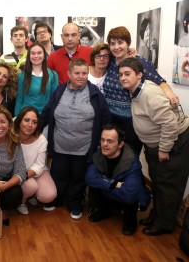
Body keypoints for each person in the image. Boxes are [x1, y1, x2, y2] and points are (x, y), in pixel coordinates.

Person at [118, 58, 189, 236]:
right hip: (157, 144)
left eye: (127, 74)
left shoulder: (150, 94)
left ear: (139, 75)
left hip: (174, 143)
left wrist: (164, 149)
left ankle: (164, 224)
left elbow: (169, 123)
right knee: (158, 183)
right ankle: (157, 215)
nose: (123, 78)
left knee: (167, 186)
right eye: (120, 75)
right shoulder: (136, 90)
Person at [40, 58, 110, 219]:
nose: (81, 76)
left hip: (84, 148)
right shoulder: (59, 91)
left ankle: (75, 203)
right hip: (59, 146)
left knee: (78, 178)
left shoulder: (95, 94)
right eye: (77, 73)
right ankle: (56, 199)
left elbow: (105, 118)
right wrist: (33, 131)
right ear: (69, 74)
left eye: (84, 73)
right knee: (59, 175)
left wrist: (102, 141)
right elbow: (47, 112)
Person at [103, 26, 179, 155]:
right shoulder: (109, 62)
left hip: (131, 121)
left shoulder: (140, 62)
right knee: (111, 154)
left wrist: (170, 93)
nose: (116, 47)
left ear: (128, 43)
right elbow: (94, 53)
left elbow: (159, 81)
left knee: (129, 157)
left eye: (120, 42)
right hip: (111, 118)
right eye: (112, 43)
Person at [85, 124, 151, 236]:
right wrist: (114, 183)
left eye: (110, 141)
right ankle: (105, 210)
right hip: (117, 191)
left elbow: (129, 194)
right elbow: (89, 178)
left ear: (120, 144)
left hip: (128, 198)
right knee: (94, 184)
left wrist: (104, 183)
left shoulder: (132, 162)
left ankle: (130, 222)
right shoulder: (98, 155)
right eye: (103, 140)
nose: (104, 144)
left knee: (131, 195)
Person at [13, 107, 57, 215]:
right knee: (31, 186)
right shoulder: (10, 133)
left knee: (49, 195)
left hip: (34, 170)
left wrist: (25, 175)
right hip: (16, 171)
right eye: (26, 120)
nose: (30, 125)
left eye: (34, 122)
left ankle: (30, 195)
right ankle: (21, 202)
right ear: (19, 120)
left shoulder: (41, 139)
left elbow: (39, 165)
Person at [15, 43, 59, 115]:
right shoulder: (22, 76)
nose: (36, 56)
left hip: (44, 117)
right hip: (25, 117)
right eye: (33, 53)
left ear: (44, 55)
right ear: (29, 56)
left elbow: (54, 99)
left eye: (39, 53)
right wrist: (16, 118)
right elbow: (19, 99)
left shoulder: (53, 75)